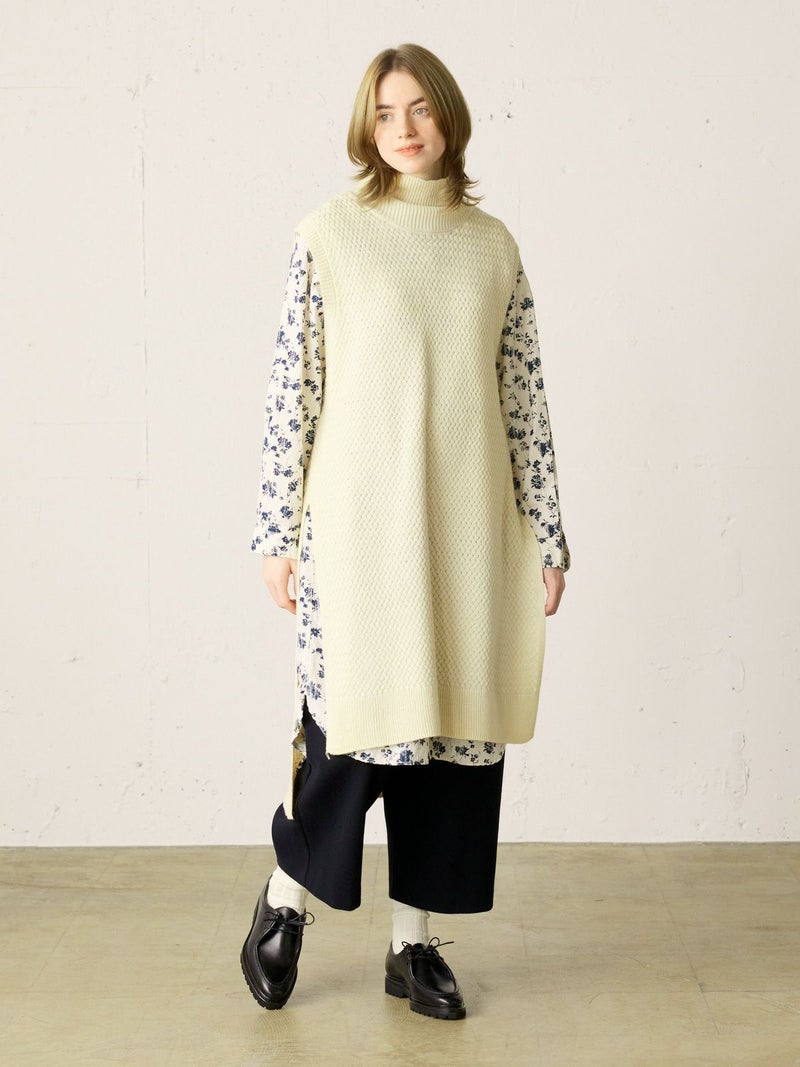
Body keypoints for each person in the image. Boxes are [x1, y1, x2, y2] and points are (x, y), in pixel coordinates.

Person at [241, 42, 571, 1021]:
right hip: (358, 538)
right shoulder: (330, 236)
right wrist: (276, 528)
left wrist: (547, 533)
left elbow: (523, 399)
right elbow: (293, 387)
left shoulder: (492, 247)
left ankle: (412, 944)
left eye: (419, 108)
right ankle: (285, 896)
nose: (404, 128)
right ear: (365, 127)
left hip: (469, 535)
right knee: (350, 739)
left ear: (448, 116)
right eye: (385, 112)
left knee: (448, 746)